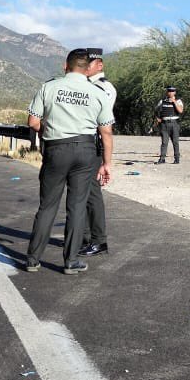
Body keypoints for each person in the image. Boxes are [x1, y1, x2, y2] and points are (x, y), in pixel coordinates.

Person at [24, 49, 114, 275]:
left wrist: (48, 130)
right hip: (85, 151)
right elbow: (106, 132)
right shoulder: (98, 92)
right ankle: (71, 261)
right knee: (77, 206)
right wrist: (106, 163)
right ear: (87, 69)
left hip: (56, 149)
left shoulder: (49, 87)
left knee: (47, 206)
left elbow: (33, 122)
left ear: (66, 65)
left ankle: (33, 259)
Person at [80, 48, 114, 257]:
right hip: (82, 144)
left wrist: (106, 160)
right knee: (81, 192)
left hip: (93, 144)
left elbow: (103, 124)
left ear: (99, 65)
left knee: (92, 193)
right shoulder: (85, 85)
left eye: (89, 63)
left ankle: (99, 240)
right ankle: (83, 237)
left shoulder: (103, 88)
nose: (85, 67)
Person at [154, 86, 184, 164]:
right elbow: (156, 110)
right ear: (167, 92)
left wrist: (174, 102)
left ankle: (177, 159)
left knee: (175, 142)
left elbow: (180, 111)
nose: (170, 93)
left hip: (174, 123)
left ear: (175, 92)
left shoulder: (178, 101)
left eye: (172, 91)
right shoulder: (162, 101)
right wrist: (157, 118)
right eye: (169, 91)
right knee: (164, 142)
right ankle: (162, 159)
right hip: (164, 124)